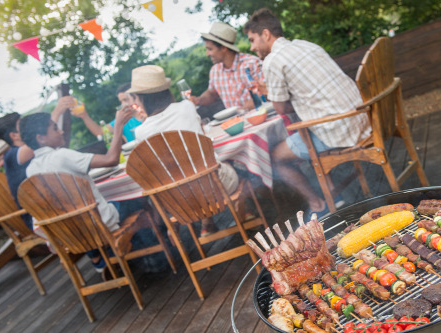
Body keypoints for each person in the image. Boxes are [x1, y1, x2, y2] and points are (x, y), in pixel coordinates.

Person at [244, 8, 370, 216]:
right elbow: (312, 92)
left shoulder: (273, 60)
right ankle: (334, 196)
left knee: (276, 155)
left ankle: (318, 205)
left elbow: (280, 109)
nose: (252, 47)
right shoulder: (306, 45)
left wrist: (270, 95)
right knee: (303, 135)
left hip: (339, 129)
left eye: (252, 40)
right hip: (362, 117)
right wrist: (271, 92)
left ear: (265, 34)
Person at [19, 107, 145, 274]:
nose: (62, 131)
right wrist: (118, 127)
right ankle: (153, 252)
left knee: (93, 207)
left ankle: (104, 258)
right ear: (41, 138)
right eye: (55, 128)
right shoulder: (61, 155)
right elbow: (111, 159)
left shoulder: (31, 170)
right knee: (138, 197)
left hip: (72, 233)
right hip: (99, 225)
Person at [129, 64, 239, 237]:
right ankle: (245, 215)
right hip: (216, 188)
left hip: (180, 202)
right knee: (233, 165)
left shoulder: (141, 132)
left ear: (143, 99)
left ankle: (208, 226)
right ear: (165, 91)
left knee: (194, 176)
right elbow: (204, 142)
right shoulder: (186, 107)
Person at [0, 96, 75, 229]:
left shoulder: (38, 153)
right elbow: (41, 138)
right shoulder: (12, 156)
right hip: (39, 218)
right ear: (14, 136)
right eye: (22, 125)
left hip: (55, 206)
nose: (28, 127)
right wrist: (57, 111)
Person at [190, 22, 264, 111]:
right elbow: (211, 94)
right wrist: (198, 100)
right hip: (236, 122)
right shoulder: (215, 71)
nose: (207, 54)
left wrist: (238, 113)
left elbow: (264, 94)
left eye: (210, 49)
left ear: (224, 48)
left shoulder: (252, 63)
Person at [72, 83, 146, 143]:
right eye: (121, 101)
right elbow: (99, 131)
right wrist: (84, 116)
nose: (123, 104)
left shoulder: (149, 112)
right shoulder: (124, 119)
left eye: (125, 100)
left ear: (136, 97)